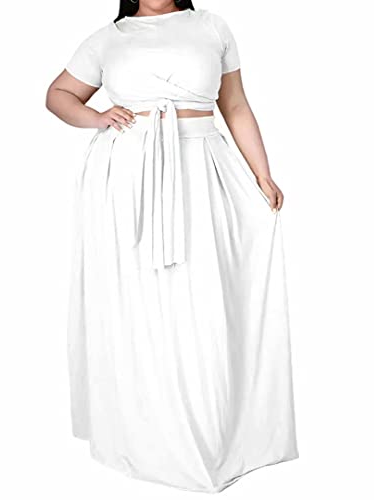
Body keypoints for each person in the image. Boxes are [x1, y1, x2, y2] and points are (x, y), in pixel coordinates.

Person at [46, 0, 299, 493]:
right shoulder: (108, 37)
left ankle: (214, 429)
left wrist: (262, 174)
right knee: (138, 300)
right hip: (128, 174)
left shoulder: (212, 26)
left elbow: (235, 106)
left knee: (202, 298)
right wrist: (97, 117)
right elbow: (58, 95)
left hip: (202, 166)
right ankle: (146, 430)